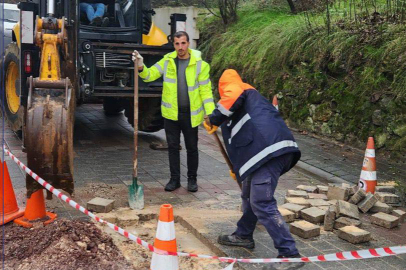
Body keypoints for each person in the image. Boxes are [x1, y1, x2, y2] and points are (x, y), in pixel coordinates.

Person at [204, 69, 303, 270]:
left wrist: (213, 118)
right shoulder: (243, 106)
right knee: (249, 195)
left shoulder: (238, 88)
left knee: (262, 202)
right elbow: (240, 142)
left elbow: (232, 95)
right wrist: (238, 170)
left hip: (268, 151)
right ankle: (243, 235)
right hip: (265, 154)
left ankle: (289, 254)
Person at [132, 31, 215, 193]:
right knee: (172, 147)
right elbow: (150, 75)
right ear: (174, 45)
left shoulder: (200, 65)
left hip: (190, 114)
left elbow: (206, 91)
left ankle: (192, 180)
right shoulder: (168, 61)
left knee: (192, 148)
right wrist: (141, 66)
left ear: (188, 43)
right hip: (171, 114)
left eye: (183, 43)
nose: (180, 47)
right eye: (177, 44)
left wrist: (211, 113)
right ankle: (174, 180)